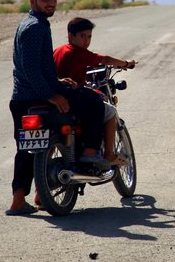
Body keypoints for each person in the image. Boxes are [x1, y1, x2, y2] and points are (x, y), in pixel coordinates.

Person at [7, 0, 109, 216]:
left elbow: (39, 67)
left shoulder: (34, 23)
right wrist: (51, 94)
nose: (51, 3)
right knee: (94, 102)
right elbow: (30, 68)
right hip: (35, 94)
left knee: (26, 148)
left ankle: (20, 200)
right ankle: (90, 153)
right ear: (33, 1)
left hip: (22, 97)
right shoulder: (34, 27)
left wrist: (57, 82)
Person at [53, 17, 136, 166]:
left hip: (56, 93)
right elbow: (104, 59)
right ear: (71, 36)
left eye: (89, 36)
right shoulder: (77, 52)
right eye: (82, 36)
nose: (86, 41)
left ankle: (42, 184)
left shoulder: (58, 50)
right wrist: (125, 63)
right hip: (71, 95)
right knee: (108, 111)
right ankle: (103, 154)